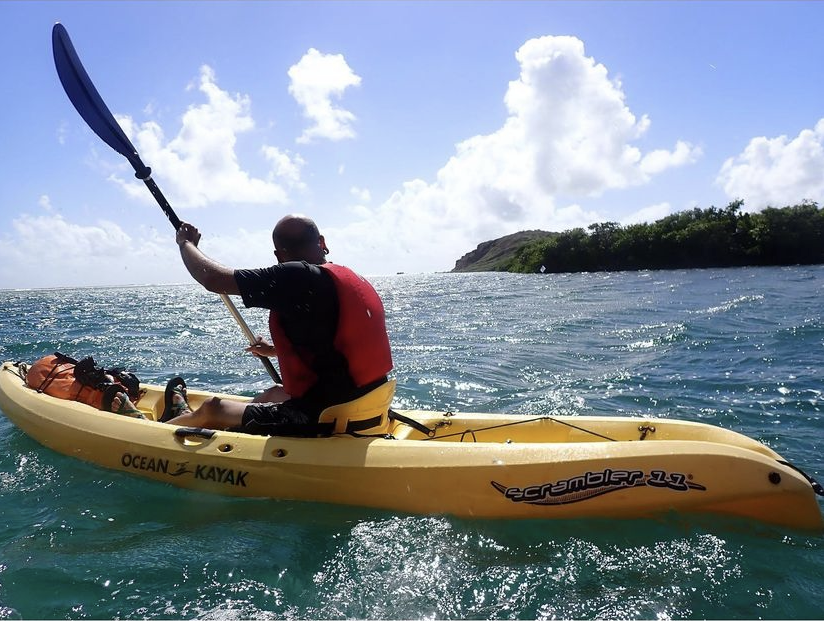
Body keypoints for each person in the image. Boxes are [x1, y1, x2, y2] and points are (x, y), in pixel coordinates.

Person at [135, 214, 394, 436]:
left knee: (213, 408)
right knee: (273, 393)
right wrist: (272, 350)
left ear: (279, 255)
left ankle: (152, 436)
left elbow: (212, 278)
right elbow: (335, 345)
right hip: (369, 402)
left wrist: (186, 244)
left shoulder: (297, 275)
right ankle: (238, 430)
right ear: (322, 242)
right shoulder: (346, 278)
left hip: (326, 416)